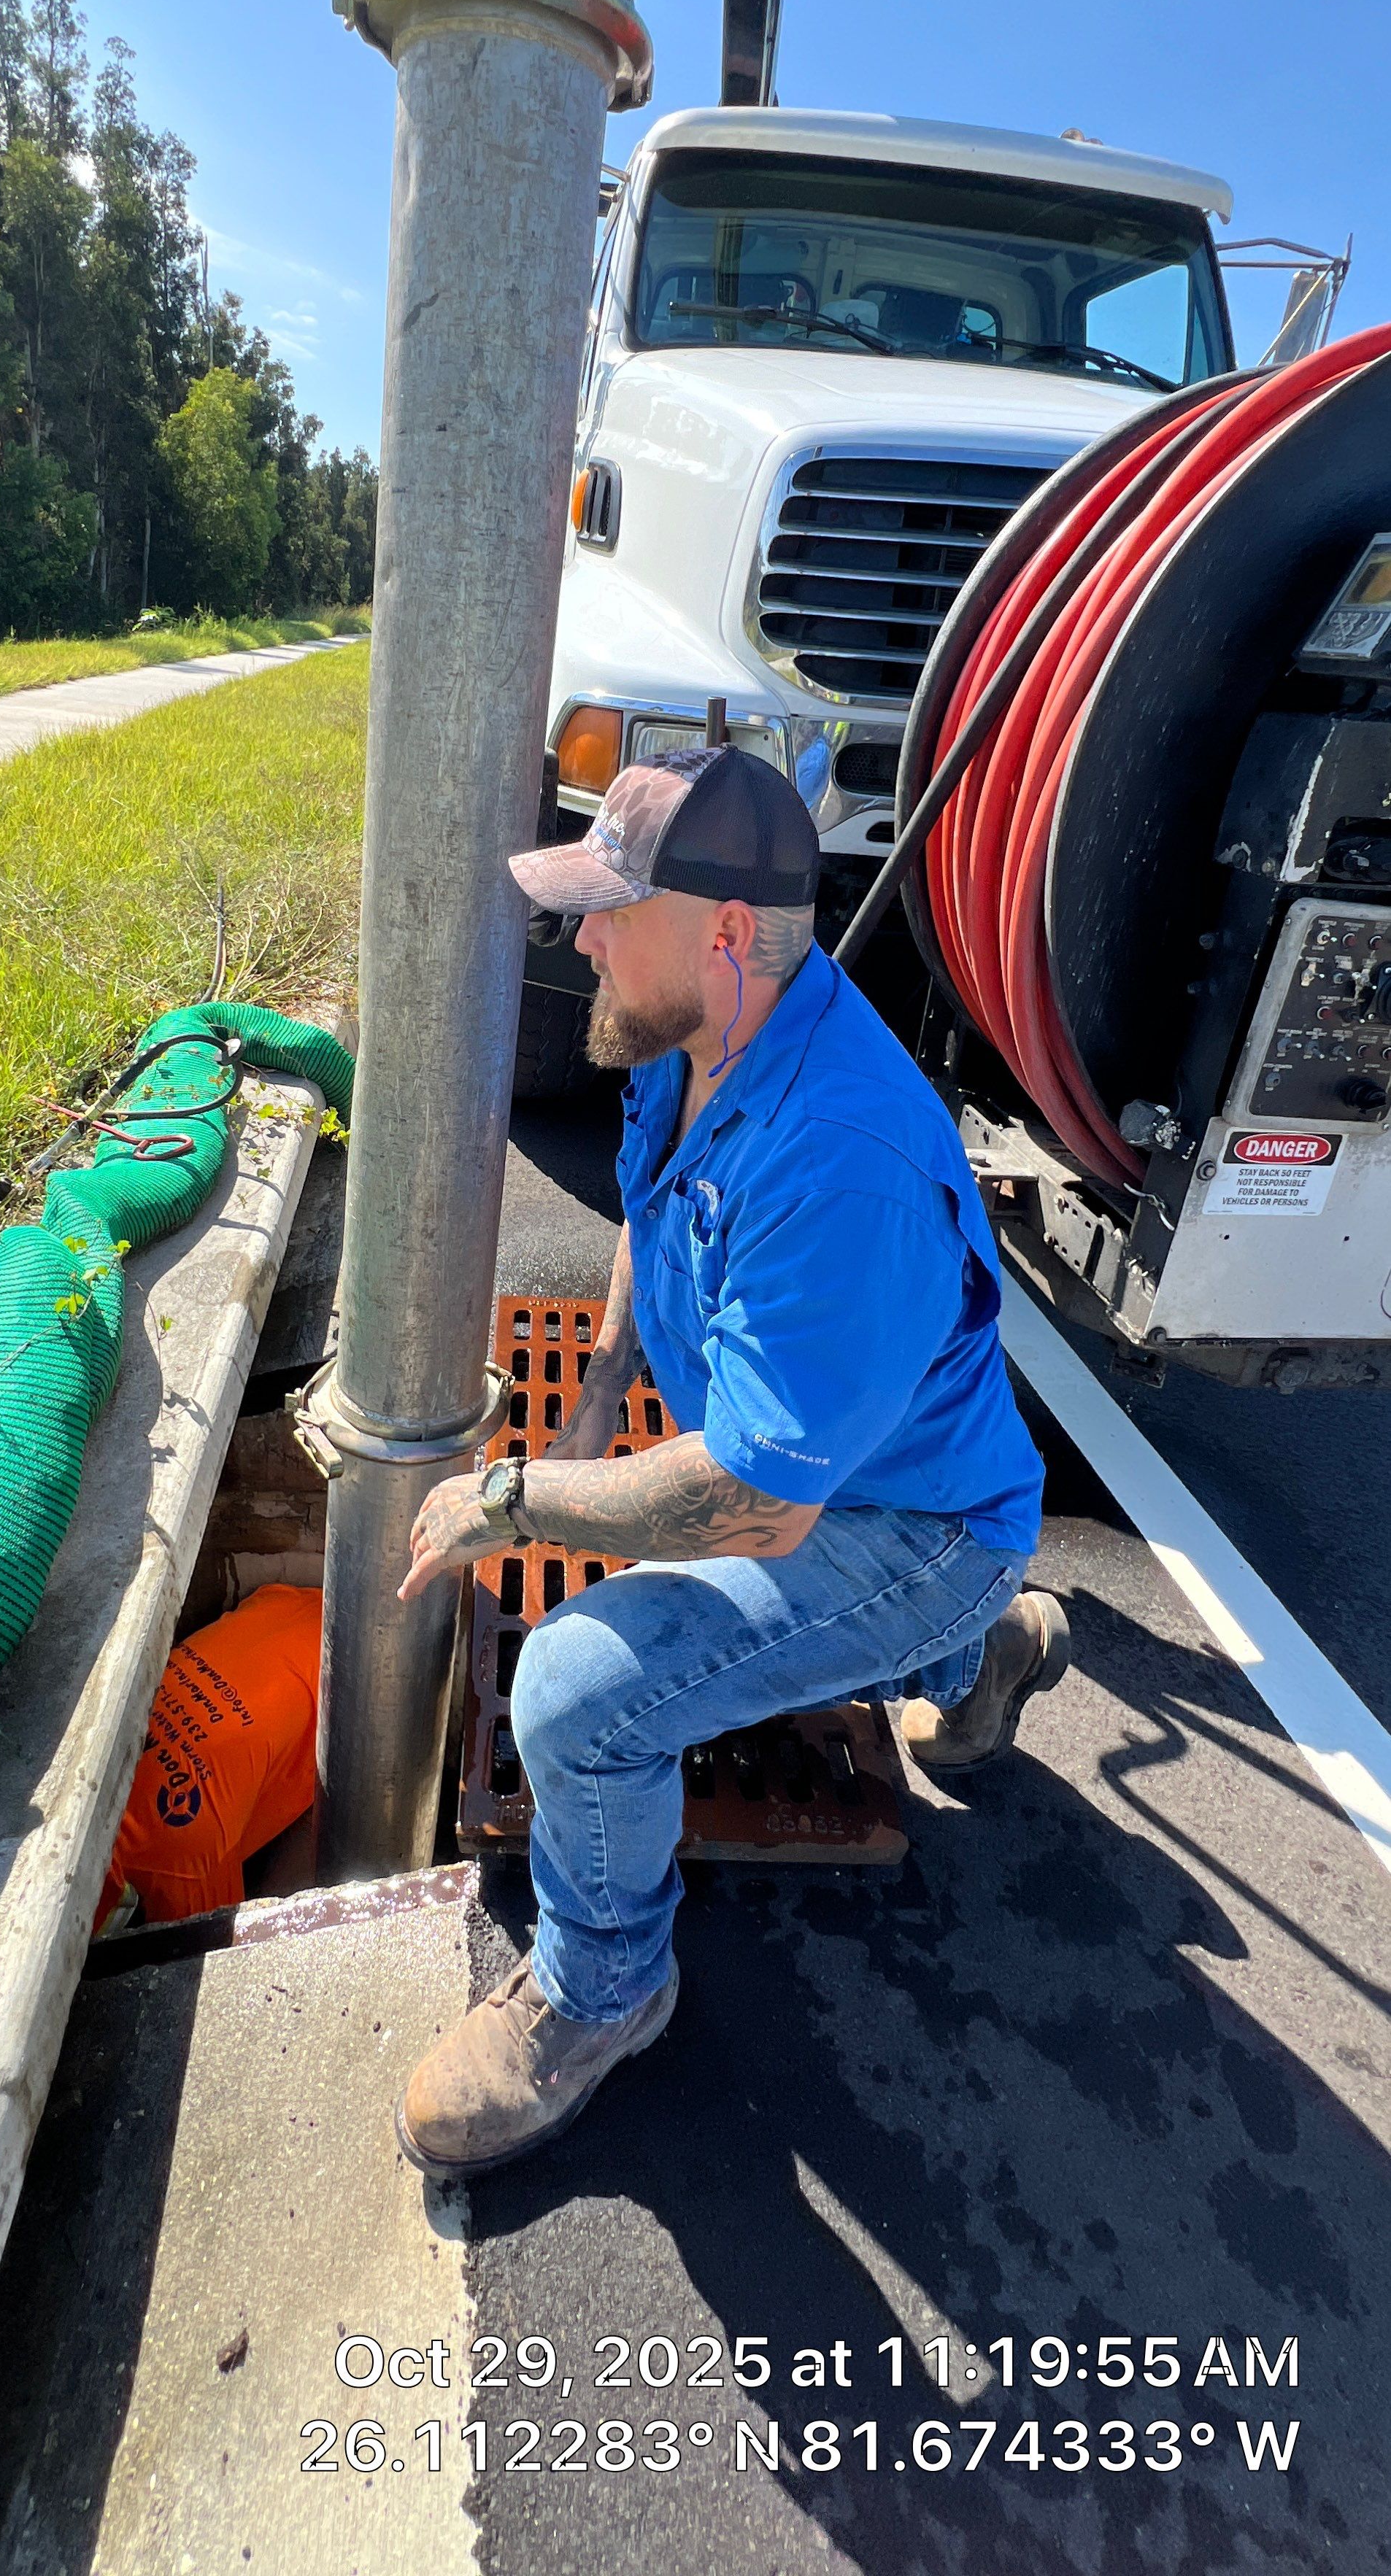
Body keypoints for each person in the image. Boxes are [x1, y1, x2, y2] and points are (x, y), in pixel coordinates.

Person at [393, 746, 1066, 2178]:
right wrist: (596, 1401)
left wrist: (513, 1497)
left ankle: (604, 1992)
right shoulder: (694, 1033)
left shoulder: (842, 1161)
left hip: (907, 1523)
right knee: (757, 1593)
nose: (580, 940)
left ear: (722, 930)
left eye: (608, 910)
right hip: (860, 1473)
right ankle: (984, 1654)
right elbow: (652, 1215)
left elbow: (757, 1507)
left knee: (575, 1692)